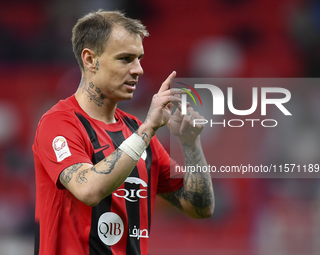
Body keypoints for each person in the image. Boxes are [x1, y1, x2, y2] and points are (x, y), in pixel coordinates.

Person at [32, 9, 214, 255]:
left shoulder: (135, 131)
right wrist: (148, 129)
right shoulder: (59, 123)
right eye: (125, 59)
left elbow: (199, 208)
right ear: (89, 59)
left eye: (139, 58)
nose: (138, 69)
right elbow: (89, 189)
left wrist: (191, 144)